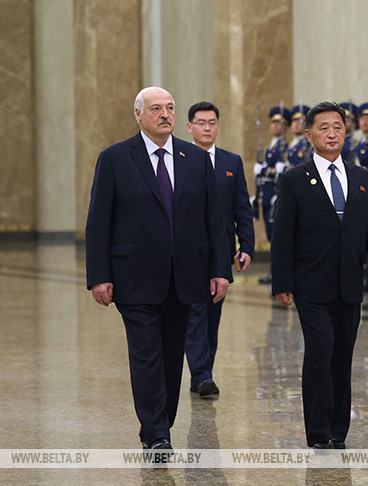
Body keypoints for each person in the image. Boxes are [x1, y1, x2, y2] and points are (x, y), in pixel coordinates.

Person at [86, 87, 229, 450]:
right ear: (138, 114)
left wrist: (219, 270)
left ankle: (160, 424)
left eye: (169, 108)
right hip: (134, 278)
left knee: (170, 357)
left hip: (184, 278)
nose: (164, 114)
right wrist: (99, 276)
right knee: (146, 354)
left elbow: (214, 220)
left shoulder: (195, 160)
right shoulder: (116, 158)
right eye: (155, 109)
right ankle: (157, 435)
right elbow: (99, 221)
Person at [271, 101, 368, 449]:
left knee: (342, 356)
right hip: (311, 284)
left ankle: (339, 429)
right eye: (323, 127)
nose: (332, 133)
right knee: (320, 350)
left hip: (349, 284)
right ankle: (318, 431)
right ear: (309, 135)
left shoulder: (362, 178)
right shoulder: (295, 179)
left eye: (337, 126)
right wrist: (283, 282)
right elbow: (283, 235)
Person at [184, 101, 255, 397]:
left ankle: (203, 372)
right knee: (195, 312)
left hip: (221, 250)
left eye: (212, 122)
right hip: (187, 251)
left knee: (213, 314)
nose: (207, 128)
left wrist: (247, 245)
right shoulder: (180, 158)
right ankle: (202, 374)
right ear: (190, 127)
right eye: (201, 123)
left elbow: (242, 207)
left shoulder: (231, 162)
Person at [255, 105, 292, 284]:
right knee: (271, 235)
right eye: (274, 123)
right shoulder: (271, 147)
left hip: (277, 194)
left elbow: (281, 172)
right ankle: (274, 270)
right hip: (267, 194)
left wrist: (264, 170)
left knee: (278, 236)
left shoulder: (284, 147)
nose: (275, 126)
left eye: (280, 123)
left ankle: (280, 272)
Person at [284, 104, 312, 171]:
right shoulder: (292, 144)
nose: (296, 123)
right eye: (294, 120)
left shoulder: (309, 143)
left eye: (300, 120)